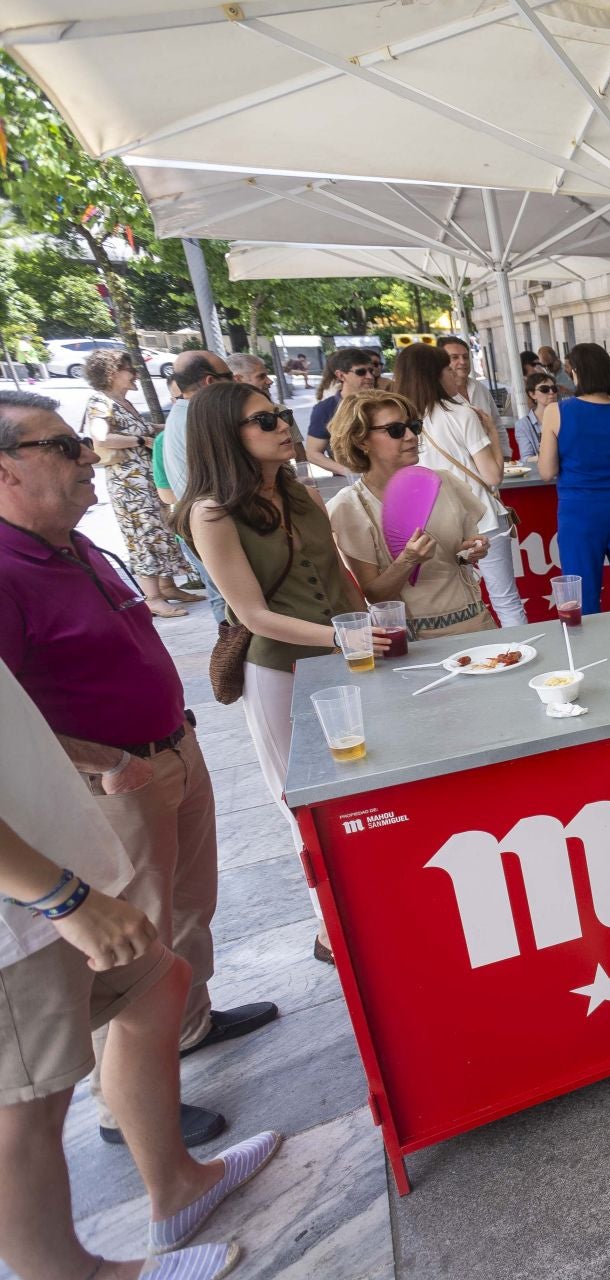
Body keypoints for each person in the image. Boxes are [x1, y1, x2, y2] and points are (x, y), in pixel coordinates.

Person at [0, 387, 281, 1146]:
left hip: (170, 752)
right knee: (130, 947)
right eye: (62, 447)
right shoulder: (6, 567)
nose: (88, 457)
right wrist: (104, 764)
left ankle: (190, 1027)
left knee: (187, 908)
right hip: (109, 786)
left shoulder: (77, 544)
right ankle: (123, 1107)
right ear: (5, 469)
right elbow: (11, 722)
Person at [0, 661, 280, 1280]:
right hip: (20, 912)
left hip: (51, 862)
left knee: (159, 986)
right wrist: (61, 899)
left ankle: (179, 1188)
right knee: (27, 1109)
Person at [178, 382, 379, 965]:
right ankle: (328, 927)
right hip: (279, 669)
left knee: (363, 783)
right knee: (302, 798)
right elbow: (252, 615)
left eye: (282, 414)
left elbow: (339, 579)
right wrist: (344, 636)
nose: (283, 426)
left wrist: (368, 629)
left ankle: (370, 900)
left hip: (345, 656)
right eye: (264, 420)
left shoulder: (303, 492)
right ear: (226, 435)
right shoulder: (211, 512)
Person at [326, 390, 497, 641]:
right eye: (395, 430)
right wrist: (407, 561)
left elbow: (462, 552)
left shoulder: (444, 483)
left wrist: (471, 550)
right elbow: (374, 595)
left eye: (414, 426)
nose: (410, 436)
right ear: (361, 441)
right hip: (415, 641)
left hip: (477, 624)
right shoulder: (351, 506)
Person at [397, 342, 527, 626]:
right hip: (482, 518)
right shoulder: (462, 414)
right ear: (434, 374)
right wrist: (492, 432)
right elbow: (492, 476)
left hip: (433, 524)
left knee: (457, 604)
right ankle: (520, 649)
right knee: (505, 599)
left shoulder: (401, 424)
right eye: (447, 367)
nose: (454, 373)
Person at [535, 341, 610, 613]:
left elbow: (547, 471)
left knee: (581, 594)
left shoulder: (557, 411)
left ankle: (585, 641)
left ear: (576, 372)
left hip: (580, 510)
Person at [80, 349, 198, 616]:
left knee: (160, 529)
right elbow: (101, 437)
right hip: (130, 486)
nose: (135, 374)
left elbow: (142, 428)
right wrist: (141, 440)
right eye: (129, 369)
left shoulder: (121, 402)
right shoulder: (100, 402)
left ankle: (167, 587)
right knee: (142, 534)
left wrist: (165, 427)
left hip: (145, 481)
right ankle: (152, 598)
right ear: (112, 373)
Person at [159, 350, 234, 630]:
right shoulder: (199, 418)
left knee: (225, 598)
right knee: (229, 603)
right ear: (211, 381)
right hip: (213, 525)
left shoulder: (183, 413)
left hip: (204, 525)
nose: (236, 383)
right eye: (230, 377)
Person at [302, 350, 381, 478]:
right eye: (361, 372)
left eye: (371, 371)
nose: (370, 376)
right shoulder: (326, 409)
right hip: (353, 483)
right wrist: (348, 472)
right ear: (341, 375)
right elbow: (313, 453)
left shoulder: (383, 403)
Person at [439, 335, 496, 437]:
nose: (463, 362)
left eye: (465, 357)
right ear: (441, 362)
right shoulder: (436, 396)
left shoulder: (480, 388)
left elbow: (497, 424)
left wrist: (503, 448)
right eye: (454, 357)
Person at [514, 375, 558, 461]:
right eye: (544, 389)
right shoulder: (523, 424)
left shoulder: (565, 416)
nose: (551, 392)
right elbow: (526, 458)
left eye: (554, 388)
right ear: (532, 394)